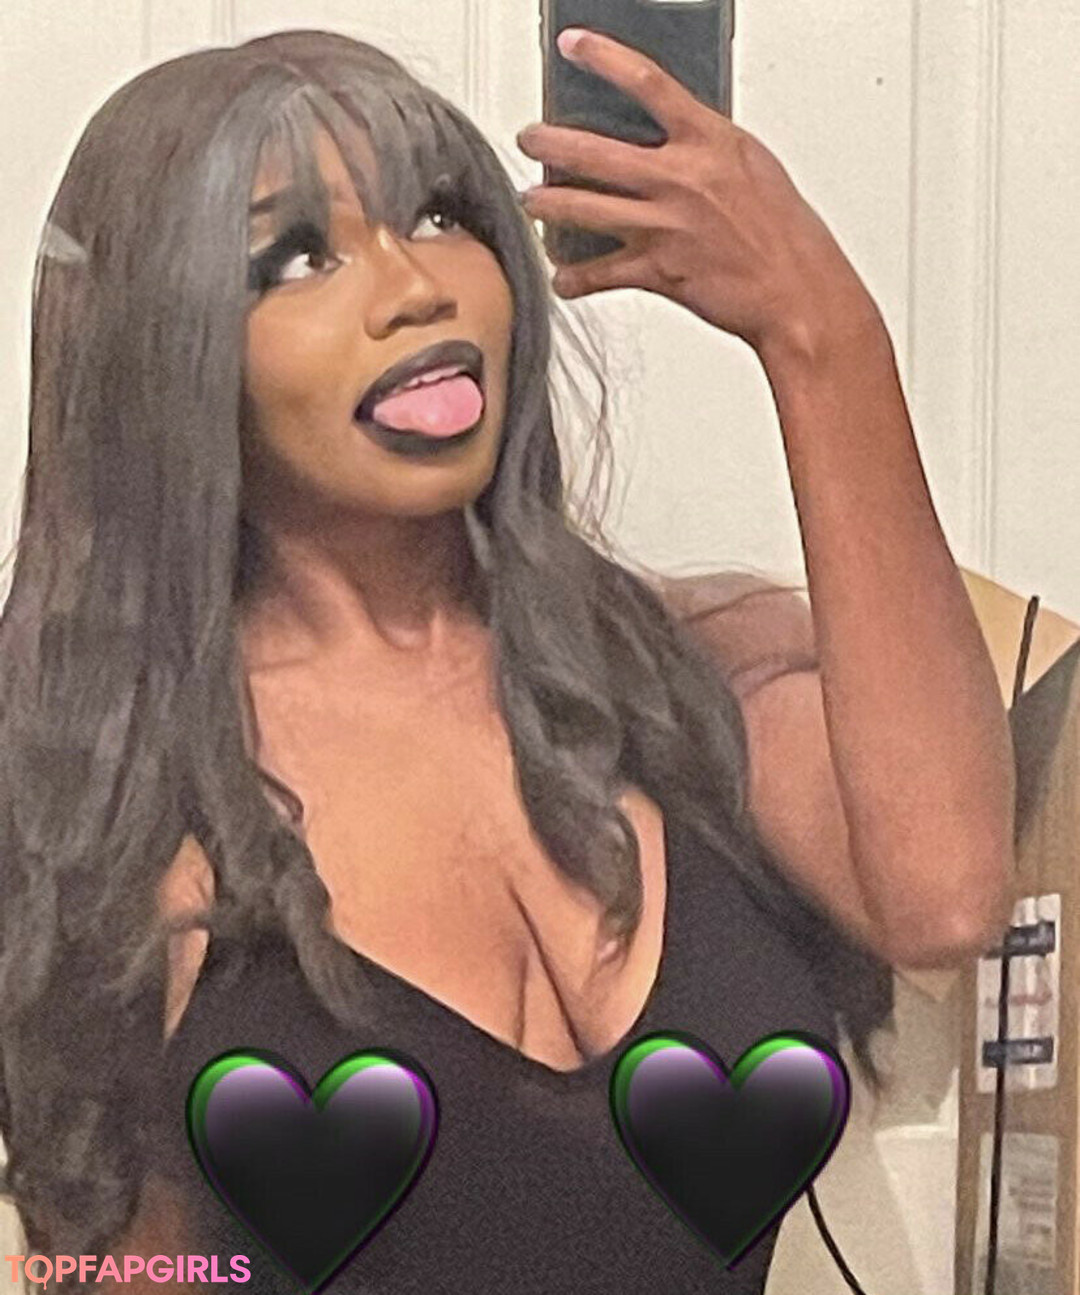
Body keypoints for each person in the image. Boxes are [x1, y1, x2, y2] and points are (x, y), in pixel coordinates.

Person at [0, 24, 1014, 1295]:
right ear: (159, 346)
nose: (413, 286)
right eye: (297, 257)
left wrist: (822, 331)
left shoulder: (680, 677)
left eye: (437, 215)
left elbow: (943, 895)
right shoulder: (100, 783)